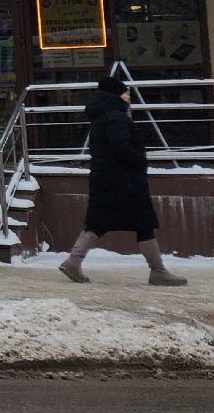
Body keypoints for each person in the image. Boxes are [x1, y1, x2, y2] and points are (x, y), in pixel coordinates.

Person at [60, 77, 187, 286]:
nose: (128, 96)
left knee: (98, 222)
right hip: (124, 181)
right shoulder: (116, 118)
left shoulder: (101, 117)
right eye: (125, 92)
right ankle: (158, 270)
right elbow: (121, 148)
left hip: (105, 179)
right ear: (115, 95)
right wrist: (140, 161)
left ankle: (74, 260)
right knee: (144, 222)